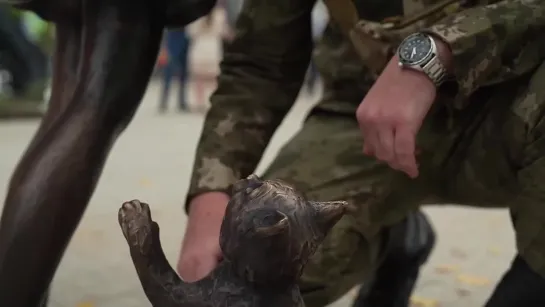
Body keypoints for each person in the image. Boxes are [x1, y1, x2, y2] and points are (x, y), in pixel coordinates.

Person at [177, 0, 545, 307]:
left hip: (517, 107)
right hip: (364, 118)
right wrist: (211, 198)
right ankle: (396, 236)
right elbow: (259, 63)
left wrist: (437, 52)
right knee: (255, 274)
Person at [159, 28, 191, 113]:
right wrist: (164, 47)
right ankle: (164, 101)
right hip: (173, 36)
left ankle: (181, 101)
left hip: (186, 36)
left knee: (184, 72)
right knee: (169, 71)